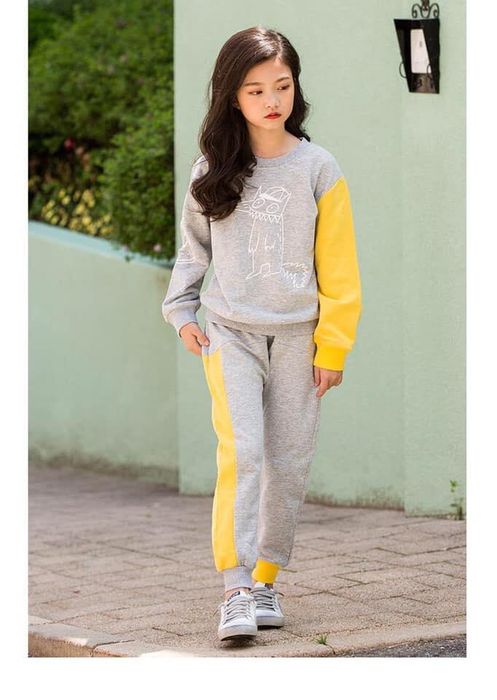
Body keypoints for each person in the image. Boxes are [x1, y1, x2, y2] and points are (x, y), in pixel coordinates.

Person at [161, 25, 362, 642]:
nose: (272, 100)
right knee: (242, 453)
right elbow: (193, 251)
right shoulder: (213, 169)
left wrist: (334, 345)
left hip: (301, 336)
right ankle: (236, 588)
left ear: (295, 88)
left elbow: (340, 267)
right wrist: (182, 311)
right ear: (232, 96)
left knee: (289, 461)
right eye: (255, 90)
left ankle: (267, 578)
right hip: (231, 333)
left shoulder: (318, 167)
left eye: (282, 86)